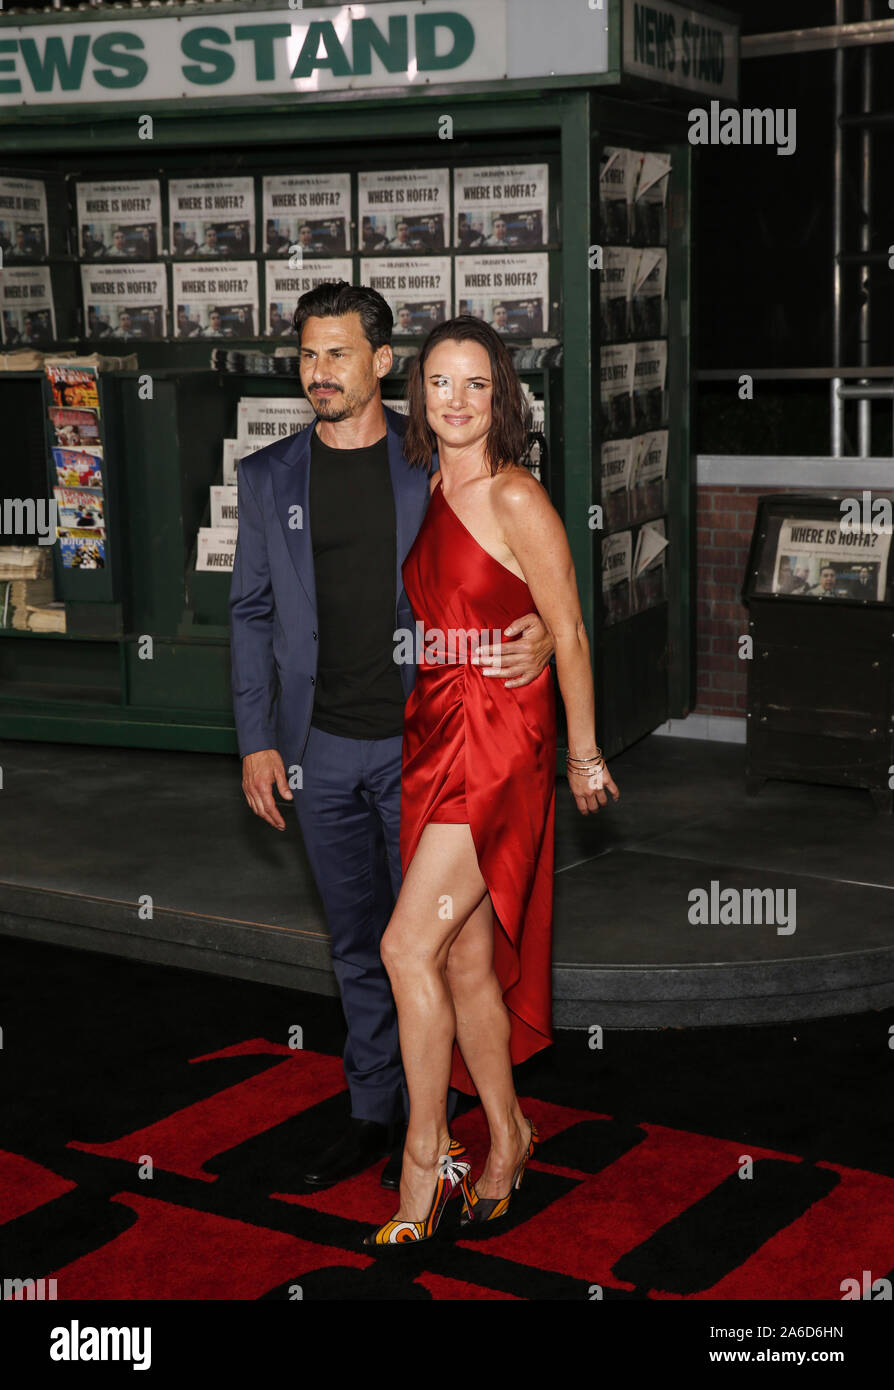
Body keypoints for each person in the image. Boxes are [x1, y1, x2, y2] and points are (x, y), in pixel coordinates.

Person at [228, 282, 554, 1190]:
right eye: (307, 355)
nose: (319, 372)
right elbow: (251, 612)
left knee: (435, 947)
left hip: (434, 747)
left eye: (338, 354)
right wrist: (256, 739)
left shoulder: (434, 466)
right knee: (358, 944)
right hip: (319, 747)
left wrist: (546, 634)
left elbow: (524, 562)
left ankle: (439, 1127)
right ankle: (377, 1113)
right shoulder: (266, 479)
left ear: (381, 363)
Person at [362, 315, 618, 1245]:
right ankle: (508, 1136)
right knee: (464, 957)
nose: (457, 401)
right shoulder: (427, 481)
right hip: (433, 729)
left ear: (502, 397)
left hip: (499, 743)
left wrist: (585, 753)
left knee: (403, 949)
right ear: (417, 393)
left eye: (477, 384)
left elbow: (572, 628)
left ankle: (425, 1164)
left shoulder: (518, 498)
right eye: (440, 382)